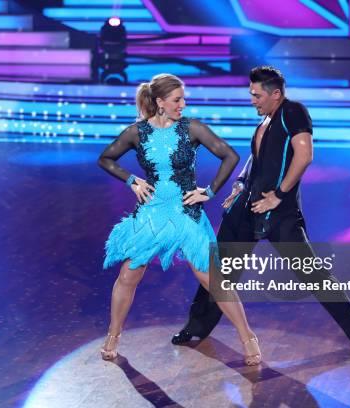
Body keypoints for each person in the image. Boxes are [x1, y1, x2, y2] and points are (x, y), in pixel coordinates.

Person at [171, 66, 350, 359]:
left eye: (257, 95)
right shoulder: (266, 121)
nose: (252, 100)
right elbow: (257, 160)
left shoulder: (293, 112)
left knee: (313, 274)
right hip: (246, 208)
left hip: (279, 213)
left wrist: (279, 196)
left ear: (276, 94)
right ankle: (196, 326)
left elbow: (305, 155)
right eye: (251, 94)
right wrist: (240, 184)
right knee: (219, 272)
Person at [98, 73, 263, 365]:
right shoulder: (136, 132)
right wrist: (132, 181)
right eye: (177, 100)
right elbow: (106, 158)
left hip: (186, 214)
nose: (183, 105)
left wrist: (209, 191)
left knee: (213, 279)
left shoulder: (192, 129)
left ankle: (248, 337)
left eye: (183, 99)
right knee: (128, 275)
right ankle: (113, 335)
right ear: (160, 102)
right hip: (152, 213)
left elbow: (230, 156)